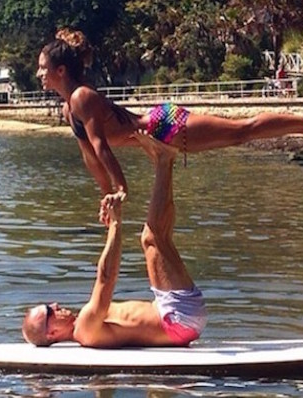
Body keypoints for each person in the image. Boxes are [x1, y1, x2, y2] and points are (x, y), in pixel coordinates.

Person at [37, 28, 303, 208]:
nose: (39, 73)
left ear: (60, 70)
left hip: (164, 126)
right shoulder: (69, 108)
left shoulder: (82, 98)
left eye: (42, 67)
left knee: (242, 131)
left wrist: (121, 189)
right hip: (161, 136)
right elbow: (91, 158)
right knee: (240, 134)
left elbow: (102, 147)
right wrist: (106, 195)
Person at [22, 134, 206, 347]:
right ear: (52, 333)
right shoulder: (86, 329)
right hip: (177, 319)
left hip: (177, 317)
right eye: (48, 311)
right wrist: (116, 224)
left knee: (161, 235)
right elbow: (106, 277)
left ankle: (166, 160)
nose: (54, 304)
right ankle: (163, 160)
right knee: (151, 238)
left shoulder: (86, 323)